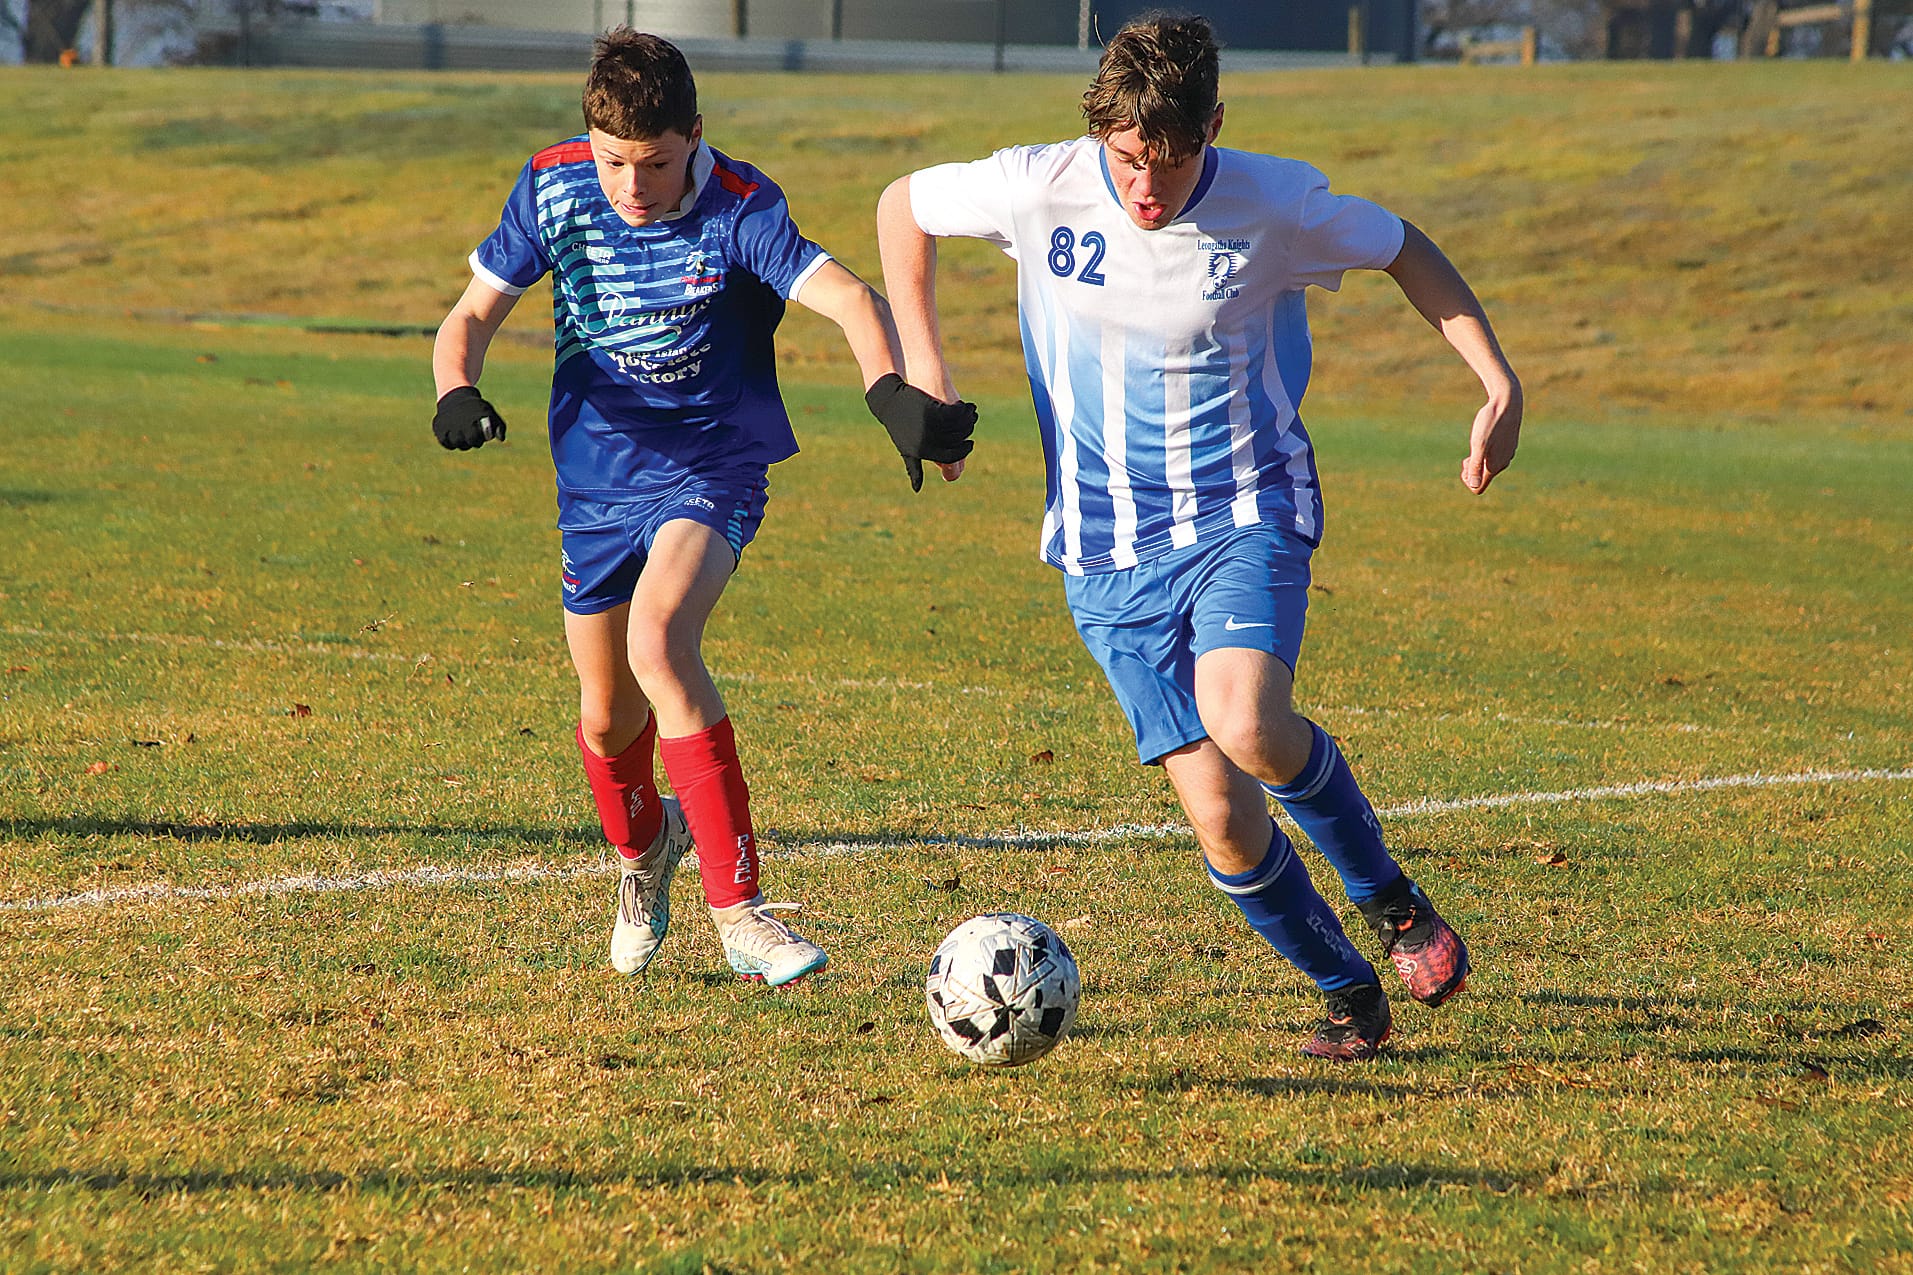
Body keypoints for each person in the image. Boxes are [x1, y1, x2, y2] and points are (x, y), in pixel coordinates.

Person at [876, 11, 1521, 1059]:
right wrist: (924, 372)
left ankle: (1391, 901)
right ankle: (1349, 992)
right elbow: (901, 205)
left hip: (1242, 511)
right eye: (1128, 159)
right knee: (1222, 819)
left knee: (1247, 720)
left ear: (1212, 127)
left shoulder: (1274, 203)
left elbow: (1406, 250)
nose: (1145, 187)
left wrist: (1495, 381)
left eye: (1171, 163)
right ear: (1101, 133)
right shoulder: (1041, 185)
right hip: (1101, 551)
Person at [432, 29, 975, 988]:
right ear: (588, 139)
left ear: (694, 137)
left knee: (660, 640)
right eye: (613, 162)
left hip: (713, 464)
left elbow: (850, 298)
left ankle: (743, 914)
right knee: (606, 720)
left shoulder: (739, 202)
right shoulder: (552, 187)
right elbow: (470, 315)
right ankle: (646, 858)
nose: (632, 187)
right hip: (596, 480)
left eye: (655, 163)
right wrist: (455, 388)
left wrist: (890, 394)